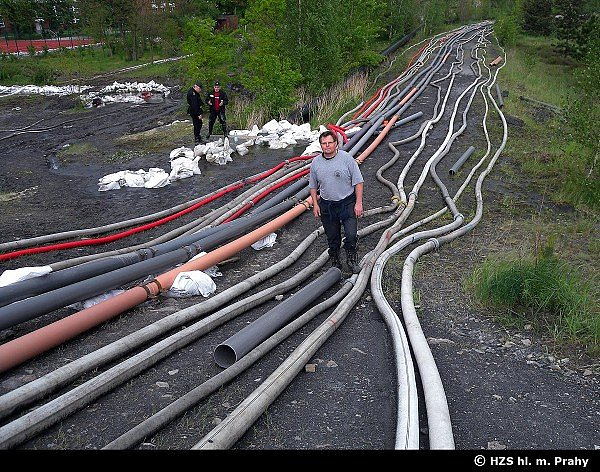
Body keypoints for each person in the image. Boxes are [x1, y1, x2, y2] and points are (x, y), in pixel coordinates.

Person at [309, 130, 364, 273]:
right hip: (327, 205)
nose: (327, 146)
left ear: (336, 144)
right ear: (320, 145)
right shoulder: (316, 163)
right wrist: (315, 204)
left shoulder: (347, 159)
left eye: (329, 143)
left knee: (351, 235)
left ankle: (351, 260)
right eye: (323, 143)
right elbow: (313, 186)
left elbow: (358, 182)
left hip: (347, 203)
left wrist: (358, 204)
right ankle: (335, 261)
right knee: (332, 237)